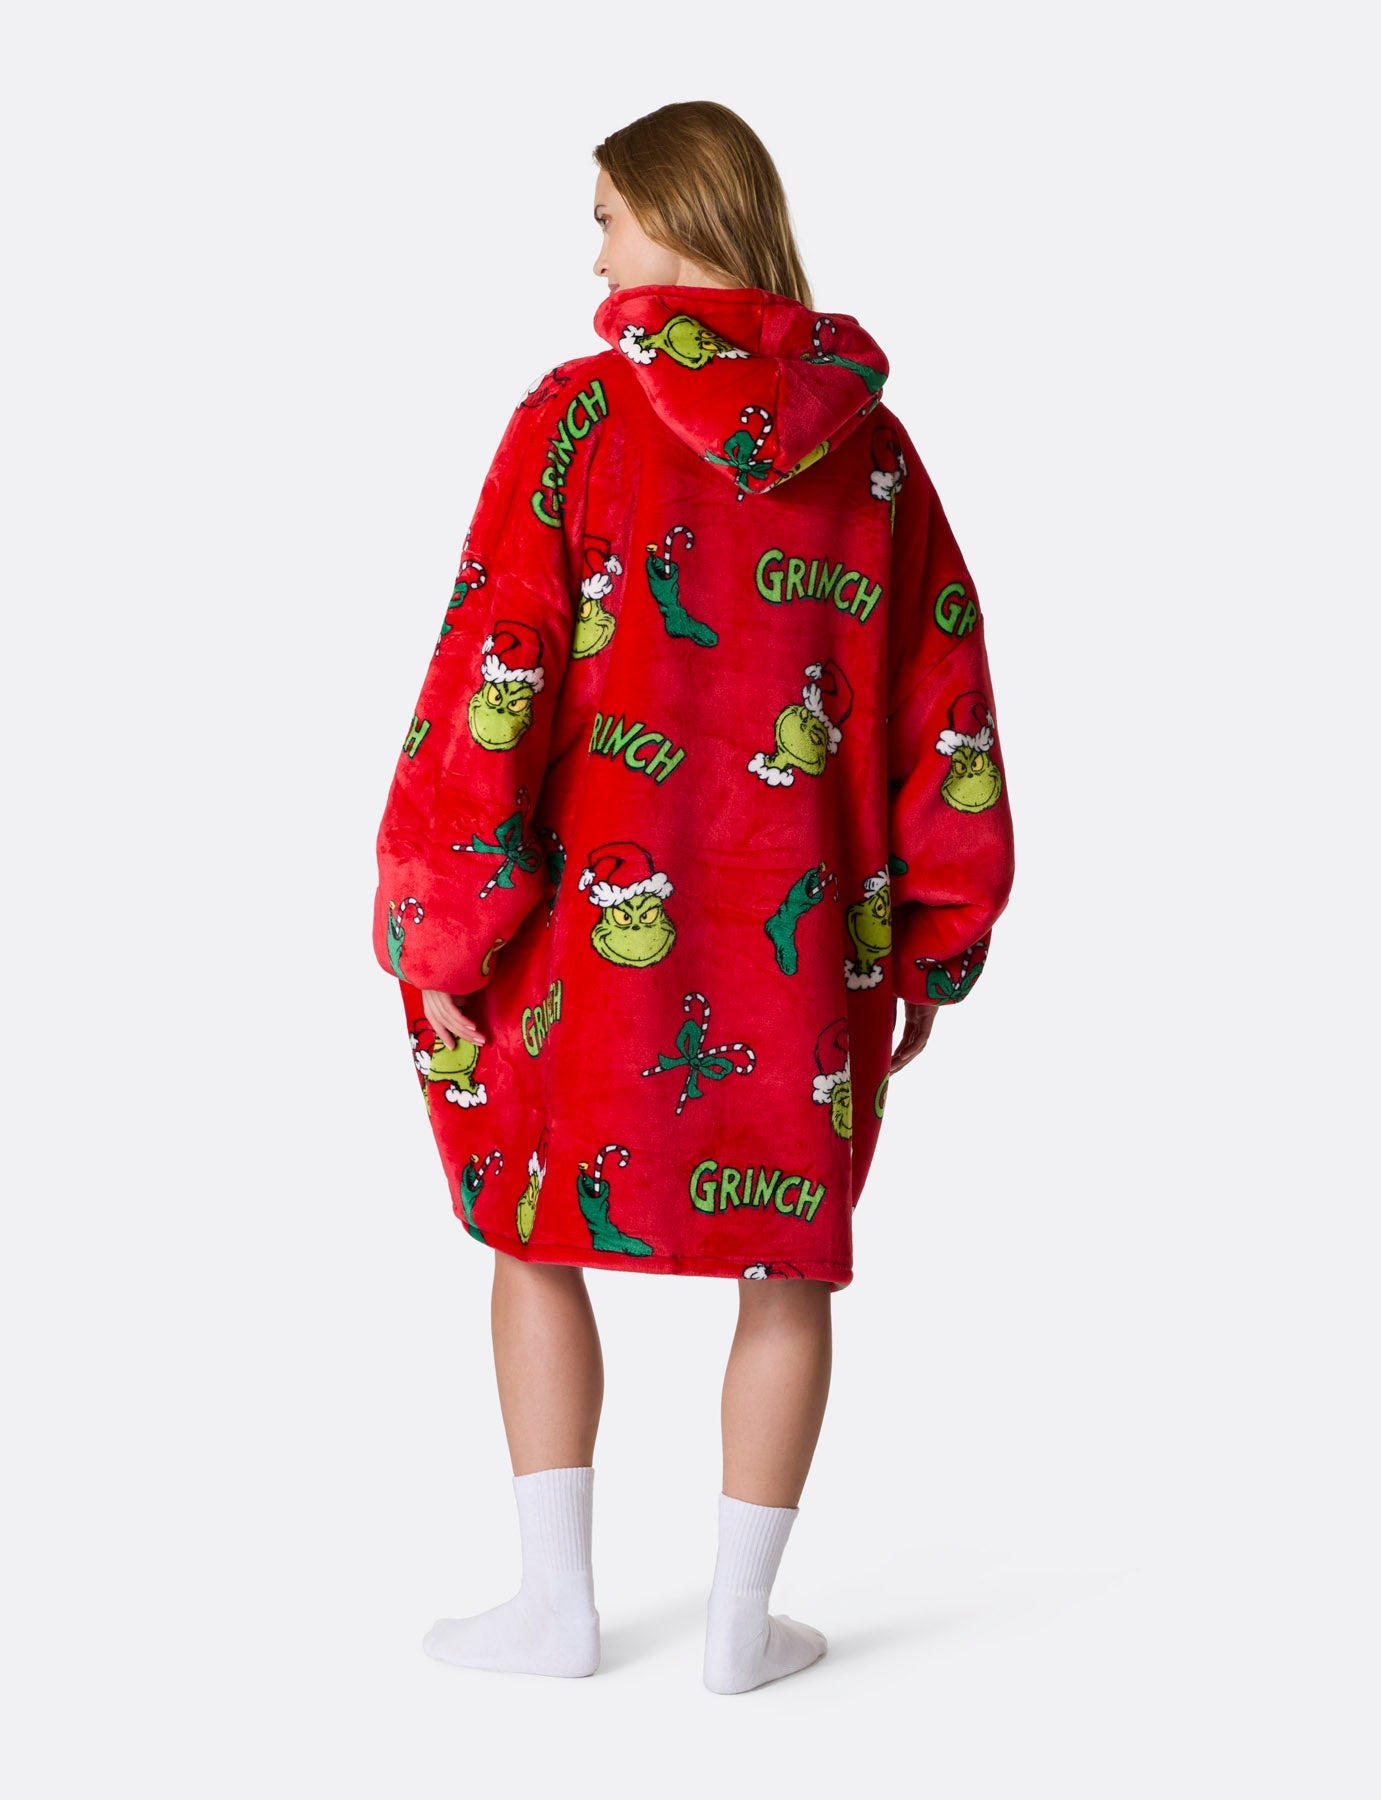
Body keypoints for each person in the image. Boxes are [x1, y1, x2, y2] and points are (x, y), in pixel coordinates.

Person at [370, 101, 1015, 1692]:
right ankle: (740, 1625)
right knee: (787, 1262)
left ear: (674, 216)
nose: (594, 255)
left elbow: (495, 673)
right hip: (800, 962)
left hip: (578, 960)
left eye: (605, 217)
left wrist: (439, 922)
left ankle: (555, 1607)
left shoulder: (577, 420)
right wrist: (937, 941)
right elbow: (945, 708)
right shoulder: (876, 458)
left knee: (536, 1233)